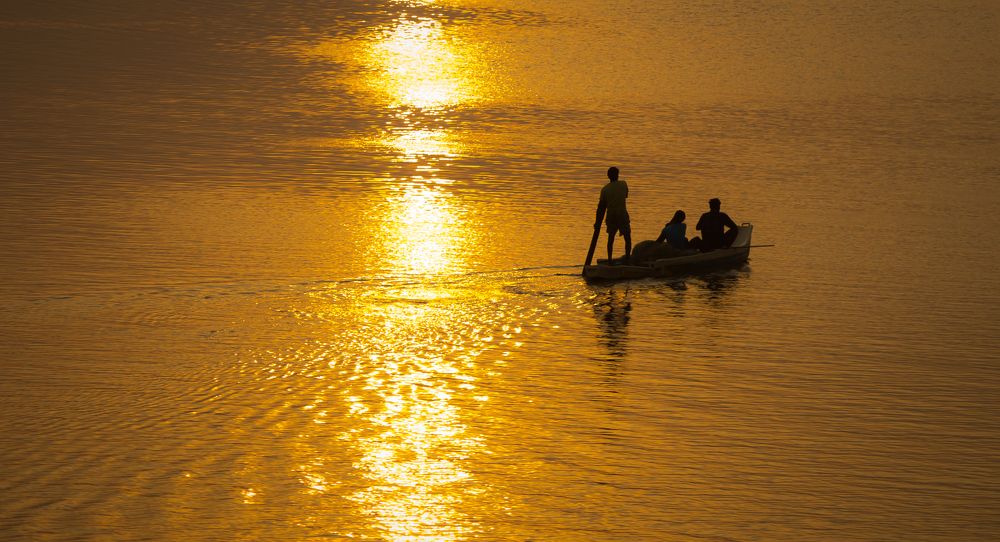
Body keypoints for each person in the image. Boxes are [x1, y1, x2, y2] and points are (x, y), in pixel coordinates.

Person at [594, 166, 631, 263]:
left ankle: (610, 259)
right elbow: (625, 196)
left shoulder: (605, 189)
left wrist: (597, 222)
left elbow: (601, 208)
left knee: (611, 237)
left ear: (608, 176)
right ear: (617, 175)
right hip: (622, 214)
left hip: (612, 216)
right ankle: (627, 258)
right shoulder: (623, 184)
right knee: (627, 237)